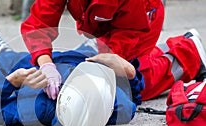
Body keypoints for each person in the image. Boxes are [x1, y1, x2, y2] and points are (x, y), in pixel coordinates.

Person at [0, 21, 144, 126]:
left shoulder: (40, 109)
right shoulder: (119, 108)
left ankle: (2, 50)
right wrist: (131, 74)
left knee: (13, 60)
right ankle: (91, 44)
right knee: (91, 51)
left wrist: (11, 82)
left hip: (34, 68)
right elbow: (134, 98)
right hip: (87, 57)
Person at [21, 0, 206, 100]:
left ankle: (187, 55)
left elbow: (130, 32)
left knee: (130, 85)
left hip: (139, 23)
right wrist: (46, 65)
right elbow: (39, 23)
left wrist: (110, 67)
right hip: (101, 23)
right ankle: (162, 52)